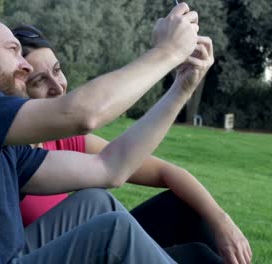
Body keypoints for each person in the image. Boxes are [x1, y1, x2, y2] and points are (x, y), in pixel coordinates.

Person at [0, 3, 219, 263]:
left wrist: (180, 89)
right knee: (113, 232)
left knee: (95, 201)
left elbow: (110, 168)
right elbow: (83, 113)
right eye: (12, 50)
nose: (26, 64)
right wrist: (167, 52)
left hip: (8, 256)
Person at [13, 25, 252, 264]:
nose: (58, 87)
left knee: (184, 209)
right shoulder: (8, 154)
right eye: (39, 81)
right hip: (74, 254)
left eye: (57, 70)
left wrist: (223, 222)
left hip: (92, 242)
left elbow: (165, 172)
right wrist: (167, 54)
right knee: (197, 256)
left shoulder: (64, 140)